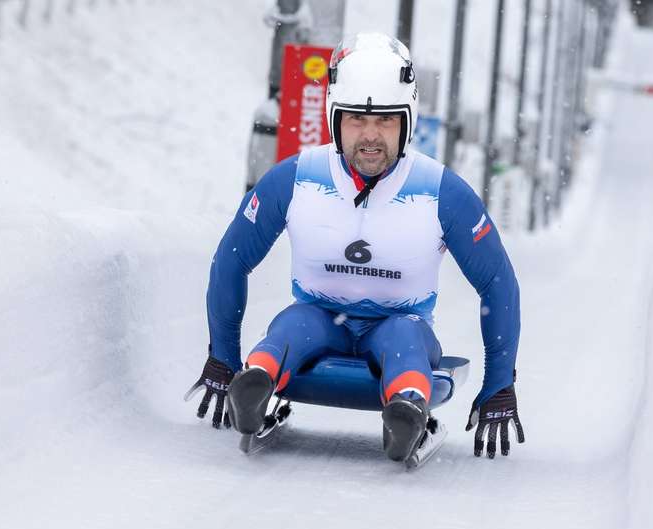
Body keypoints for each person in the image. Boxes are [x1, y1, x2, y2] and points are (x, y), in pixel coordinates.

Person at [187, 32, 524, 462]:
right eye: (356, 121)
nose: (370, 136)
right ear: (334, 119)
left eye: (384, 121)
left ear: (407, 121)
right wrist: (223, 359)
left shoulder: (443, 192)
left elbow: (497, 281)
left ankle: (405, 410)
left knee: (405, 336)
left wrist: (499, 383)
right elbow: (231, 259)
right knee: (294, 323)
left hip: (399, 326)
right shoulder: (296, 178)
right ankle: (255, 381)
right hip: (318, 322)